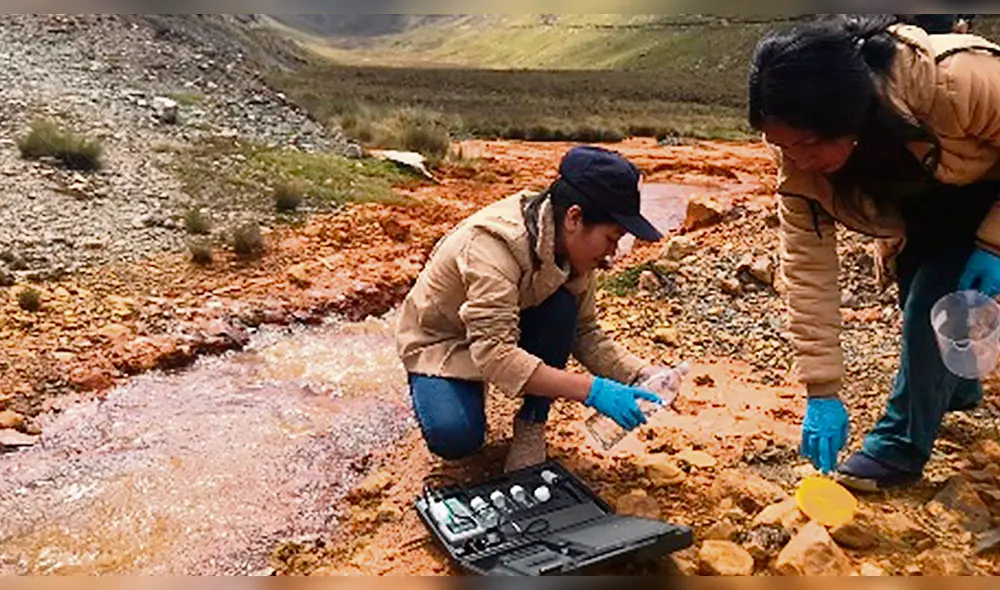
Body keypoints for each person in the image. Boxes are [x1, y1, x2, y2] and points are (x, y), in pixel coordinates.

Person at [749, 14, 1000, 491]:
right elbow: (808, 272)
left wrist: (994, 243)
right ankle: (958, 389)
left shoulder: (952, 80)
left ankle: (898, 450)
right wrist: (821, 389)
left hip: (988, 187)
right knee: (920, 293)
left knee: (932, 306)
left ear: (848, 117)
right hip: (924, 199)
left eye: (806, 145)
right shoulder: (798, 163)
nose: (795, 160)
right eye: (781, 145)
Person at [395, 146, 682, 472]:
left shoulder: (576, 253)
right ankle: (438, 387)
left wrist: (639, 373)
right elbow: (494, 355)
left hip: (505, 325)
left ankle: (532, 422)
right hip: (444, 341)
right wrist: (593, 390)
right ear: (574, 217)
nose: (612, 254)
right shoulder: (493, 245)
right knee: (456, 437)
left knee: (562, 308)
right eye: (611, 238)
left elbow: (585, 332)